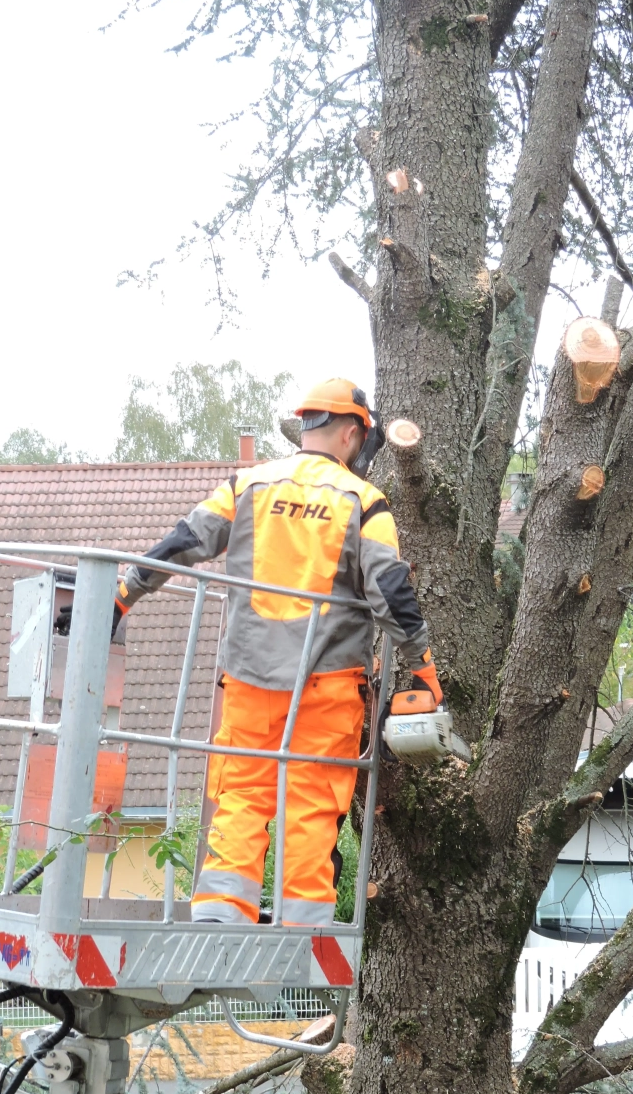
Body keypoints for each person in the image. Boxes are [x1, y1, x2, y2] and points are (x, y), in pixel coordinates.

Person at [113, 378, 441, 927]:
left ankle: (220, 913)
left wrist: (123, 596)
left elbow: (180, 544)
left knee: (241, 794)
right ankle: (302, 930)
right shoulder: (365, 503)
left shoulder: (247, 485)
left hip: (247, 680)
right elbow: (390, 592)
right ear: (353, 433)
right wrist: (424, 669)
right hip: (327, 686)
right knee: (311, 807)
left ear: (308, 426)